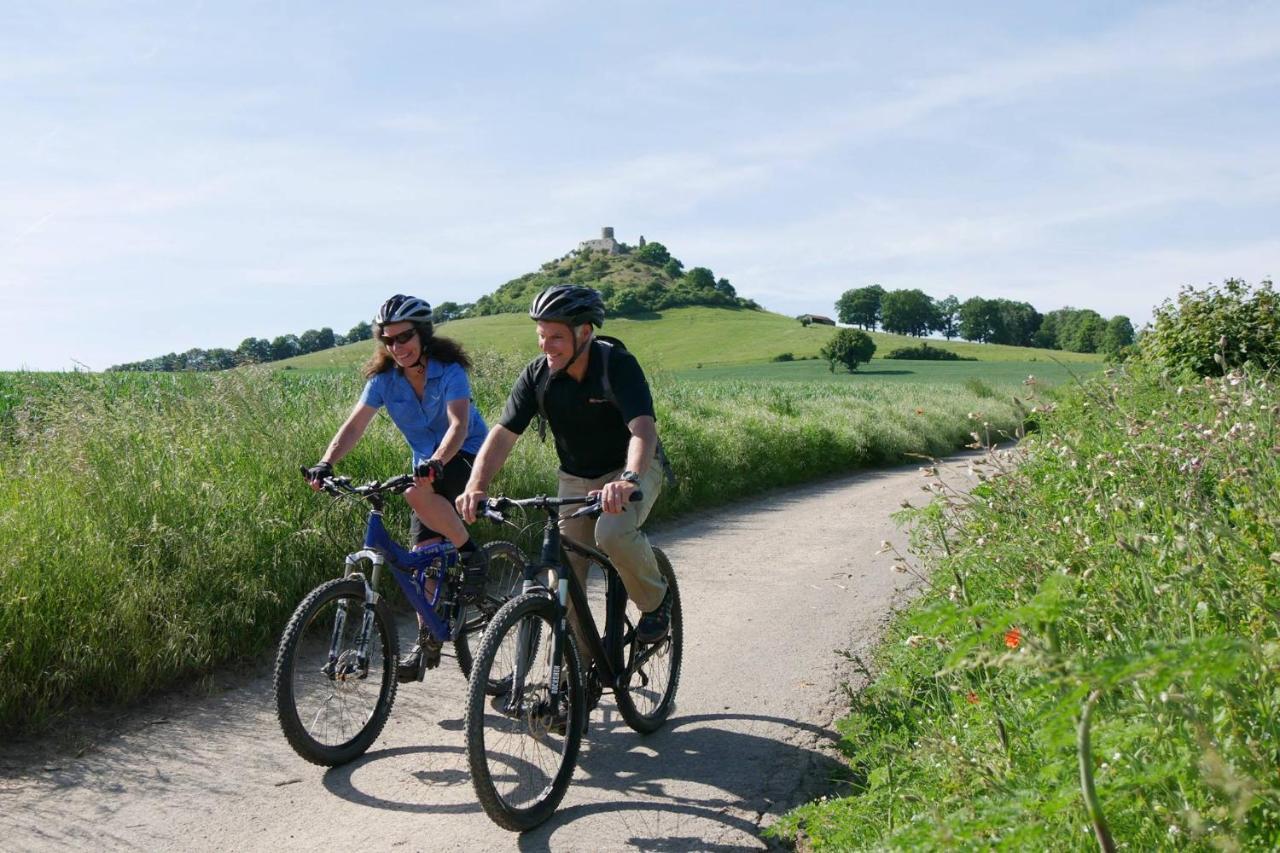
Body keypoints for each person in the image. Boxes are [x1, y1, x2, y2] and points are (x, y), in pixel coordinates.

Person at [456, 284, 672, 646]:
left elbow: (642, 430)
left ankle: (656, 602)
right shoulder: (537, 376)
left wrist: (629, 478)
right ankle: (576, 683)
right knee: (565, 580)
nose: (545, 345)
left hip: (632, 468)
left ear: (584, 333)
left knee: (613, 533)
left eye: (556, 337)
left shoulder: (616, 366)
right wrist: (476, 486)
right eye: (541, 335)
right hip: (576, 477)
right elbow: (503, 435)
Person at [304, 294, 489, 683]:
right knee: (421, 558)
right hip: (426, 467)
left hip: (467, 454)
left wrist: (438, 460)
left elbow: (458, 425)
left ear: (421, 334)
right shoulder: (383, 381)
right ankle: (429, 639)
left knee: (414, 495)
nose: (396, 347)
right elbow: (354, 426)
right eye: (388, 340)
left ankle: (471, 554)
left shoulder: (449, 370)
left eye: (404, 337)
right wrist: (326, 463)